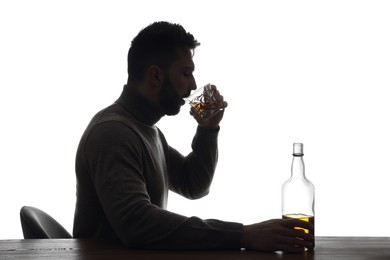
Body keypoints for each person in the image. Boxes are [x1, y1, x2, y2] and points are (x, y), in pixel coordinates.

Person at [73, 21, 314, 253]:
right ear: (155, 76)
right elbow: (136, 223)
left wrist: (207, 130)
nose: (193, 85)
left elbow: (193, 184)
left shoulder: (147, 130)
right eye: (186, 72)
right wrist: (243, 235)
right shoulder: (113, 133)